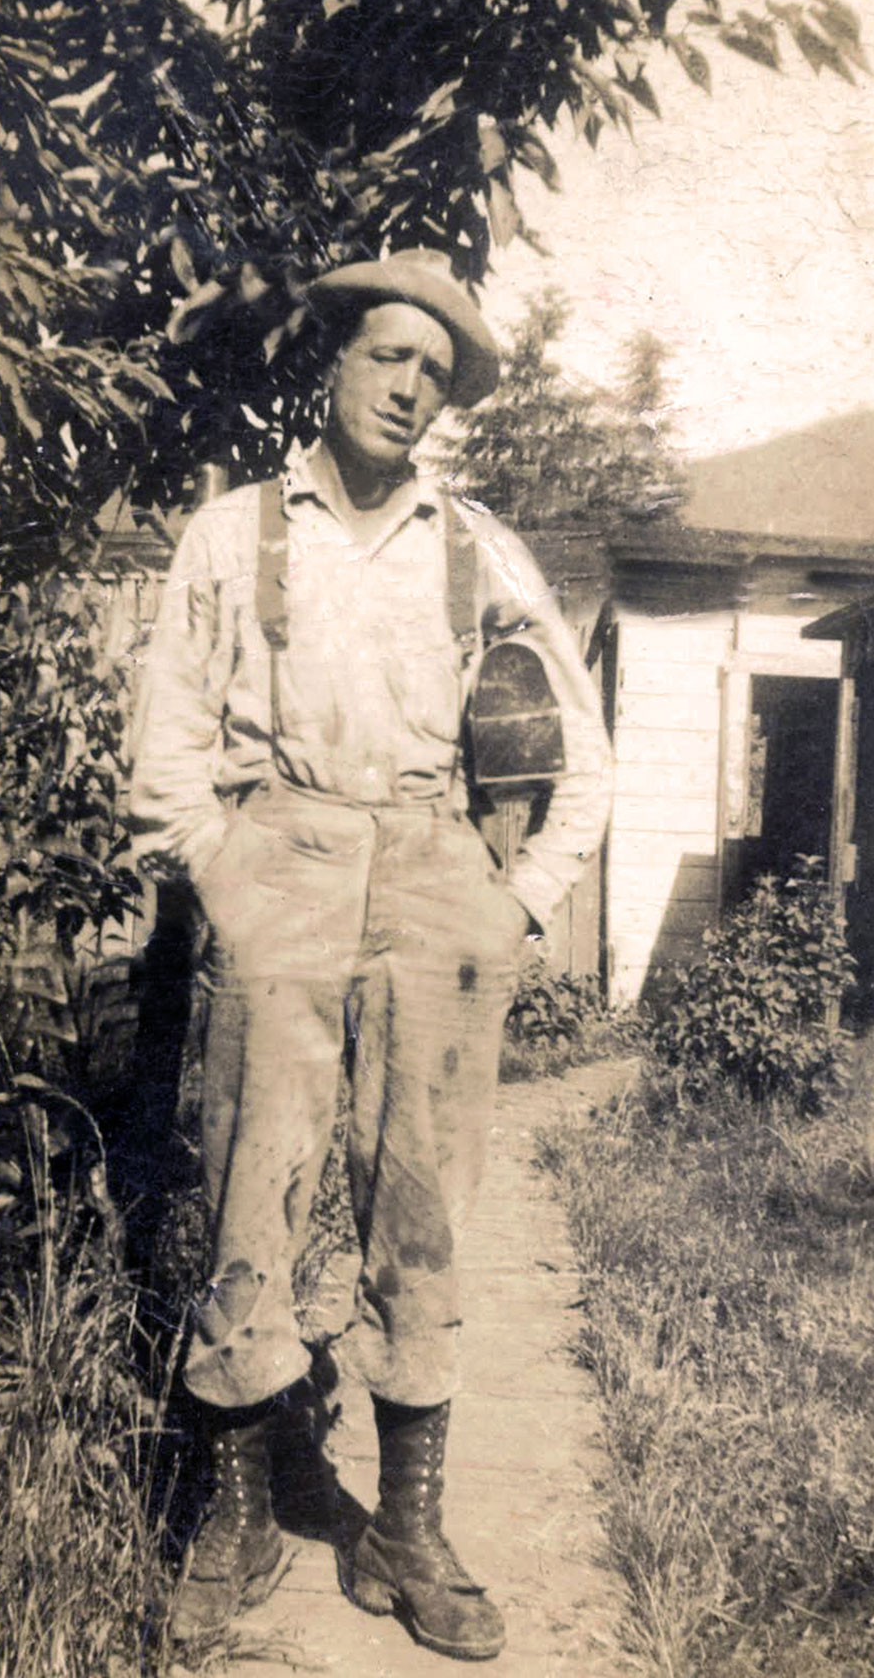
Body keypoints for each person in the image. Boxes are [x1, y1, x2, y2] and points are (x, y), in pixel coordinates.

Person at [129, 248, 613, 1661]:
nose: (411, 390)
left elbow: (578, 748)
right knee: (249, 1186)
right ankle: (236, 1517)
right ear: (332, 360)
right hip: (277, 860)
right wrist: (221, 867)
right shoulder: (233, 535)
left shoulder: (478, 550)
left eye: (437, 376)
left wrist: (518, 899)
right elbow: (166, 741)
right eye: (391, 357)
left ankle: (405, 1528)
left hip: (434, 877)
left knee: (422, 1205)